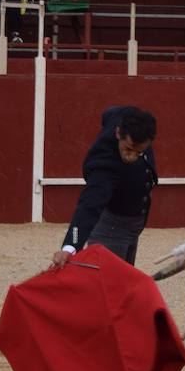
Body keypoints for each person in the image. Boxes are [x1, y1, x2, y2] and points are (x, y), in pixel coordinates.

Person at [51, 106, 159, 267]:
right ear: (117, 133)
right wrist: (71, 246)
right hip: (110, 230)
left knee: (122, 284)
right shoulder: (105, 165)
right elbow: (89, 205)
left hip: (132, 226)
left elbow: (110, 113)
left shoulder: (127, 120)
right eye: (128, 149)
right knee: (109, 287)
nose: (132, 156)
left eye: (140, 152)